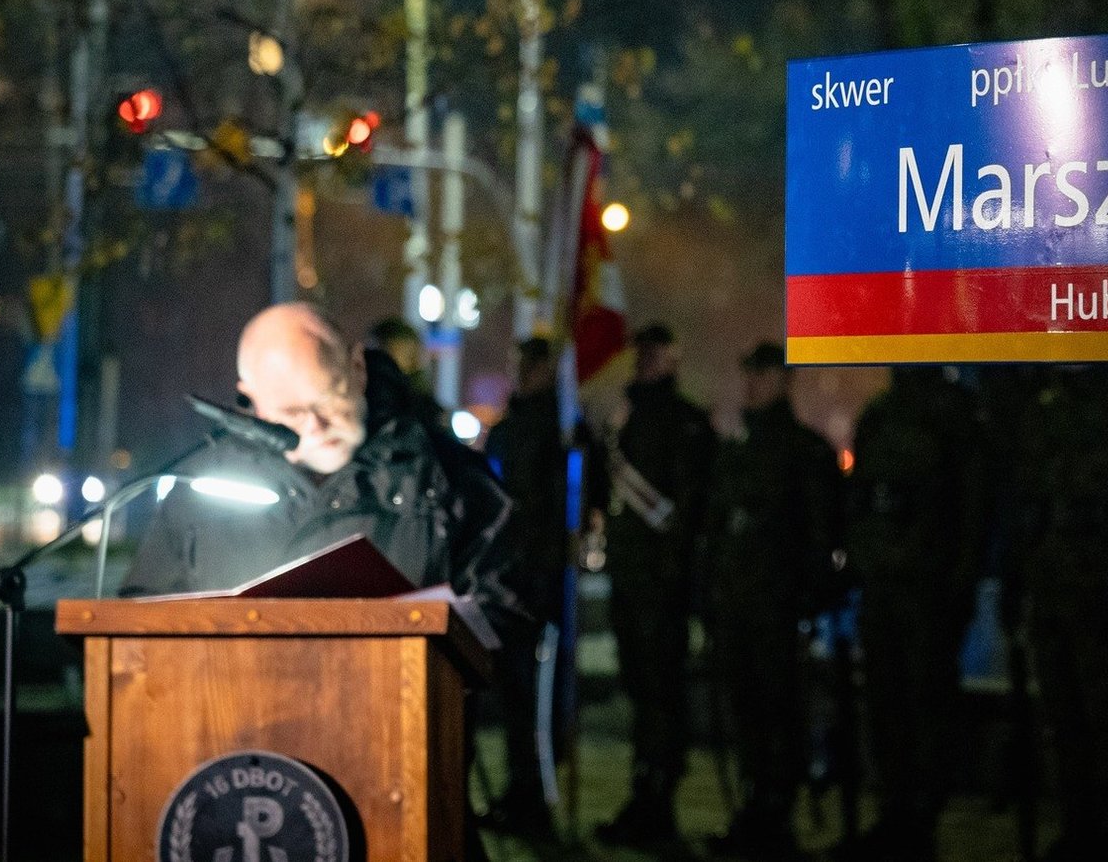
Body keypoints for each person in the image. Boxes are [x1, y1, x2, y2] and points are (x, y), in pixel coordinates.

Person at [122, 302, 523, 623]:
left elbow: (503, 617)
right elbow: (144, 618)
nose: (316, 426)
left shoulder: (446, 477)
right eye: (292, 413)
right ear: (251, 397)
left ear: (358, 368)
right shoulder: (200, 486)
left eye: (329, 399)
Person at [840, 366, 994, 862]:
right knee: (886, 704)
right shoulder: (882, 414)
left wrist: (960, 584)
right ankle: (894, 814)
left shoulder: (954, 414)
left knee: (925, 704)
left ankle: (919, 823)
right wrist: (859, 559)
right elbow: (860, 496)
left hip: (928, 586)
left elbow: (972, 504)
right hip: (885, 583)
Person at [704, 341, 844, 860]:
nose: (752, 384)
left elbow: (823, 535)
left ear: (785, 381)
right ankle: (754, 810)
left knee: (779, 713)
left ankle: (775, 817)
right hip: (738, 604)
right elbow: (718, 528)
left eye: (762, 374)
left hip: (778, 607)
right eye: (749, 374)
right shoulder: (737, 450)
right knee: (746, 714)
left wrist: (808, 599)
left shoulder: (805, 452)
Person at [592, 321, 718, 850]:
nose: (645, 359)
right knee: (641, 693)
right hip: (630, 579)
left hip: (663, 586)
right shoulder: (626, 418)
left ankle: (660, 801)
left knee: (663, 697)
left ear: (673, 356)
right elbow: (605, 491)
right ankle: (643, 796)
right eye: (640, 351)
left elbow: (690, 510)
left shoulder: (686, 423)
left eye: (654, 351)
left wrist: (678, 575)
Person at [1010, 365, 1108, 862]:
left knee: (1107, 716)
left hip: (1097, 582)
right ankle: (1079, 826)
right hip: (1050, 581)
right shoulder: (1041, 407)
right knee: (1062, 717)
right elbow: (1024, 500)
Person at [476, 336, 573, 838]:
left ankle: (535, 800)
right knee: (516, 700)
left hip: (536, 582)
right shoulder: (510, 430)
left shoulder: (560, 433)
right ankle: (522, 792)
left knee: (536, 702)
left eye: (536, 365)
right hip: (508, 581)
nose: (526, 372)